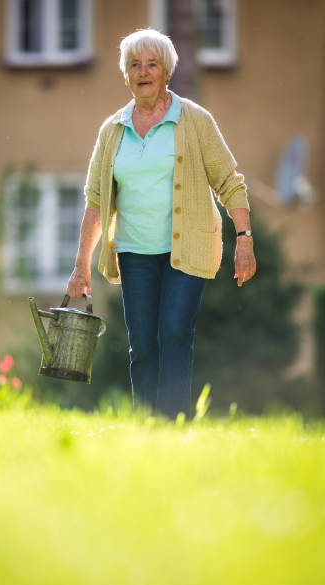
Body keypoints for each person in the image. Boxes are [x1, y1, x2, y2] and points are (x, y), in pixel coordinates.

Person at [66, 28, 256, 418]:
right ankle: (147, 426)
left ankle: (172, 424)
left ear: (167, 71)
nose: (143, 71)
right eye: (134, 65)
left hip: (186, 251)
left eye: (152, 64)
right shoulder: (112, 130)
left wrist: (244, 238)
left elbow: (229, 181)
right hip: (135, 253)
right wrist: (81, 265)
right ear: (125, 75)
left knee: (174, 332)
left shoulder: (195, 121)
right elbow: (96, 201)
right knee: (143, 346)